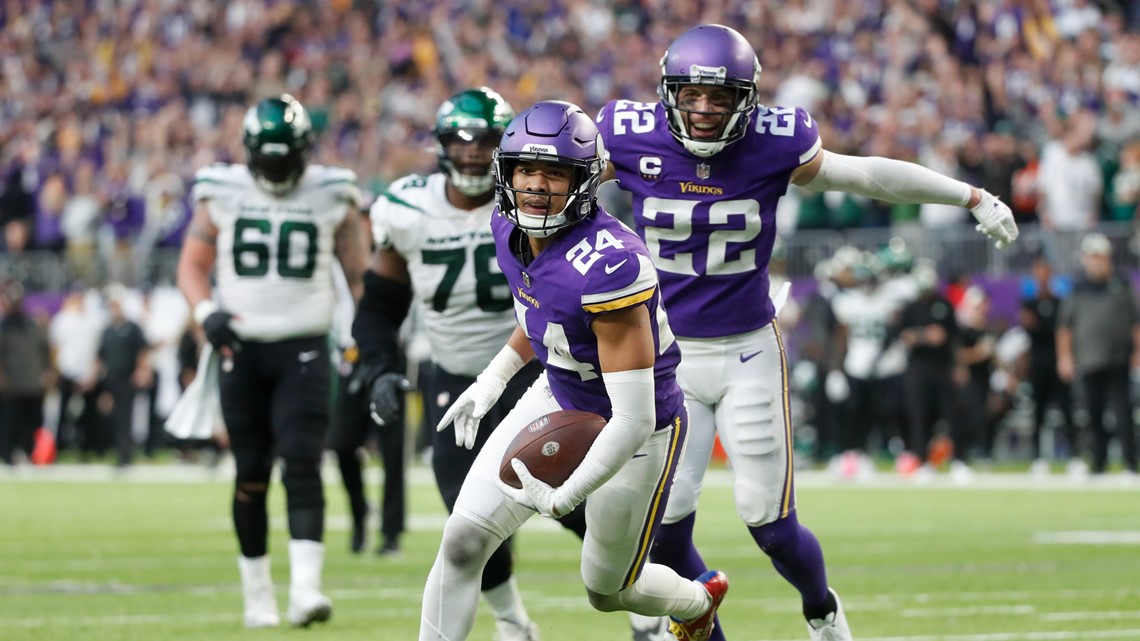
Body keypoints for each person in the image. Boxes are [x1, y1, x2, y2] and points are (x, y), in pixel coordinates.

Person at [596, 23, 1019, 641]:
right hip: (667, 359)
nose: (706, 109)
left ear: (749, 98)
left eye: (721, 96)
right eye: (692, 94)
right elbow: (557, 184)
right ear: (668, 91)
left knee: (767, 523)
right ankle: (700, 624)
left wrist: (970, 195)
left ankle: (822, 610)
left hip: (747, 352)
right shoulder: (625, 135)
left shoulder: (777, 140)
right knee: (666, 526)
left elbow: (867, 176)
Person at [421, 100, 727, 641]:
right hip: (560, 394)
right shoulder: (506, 225)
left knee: (609, 590)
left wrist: (563, 500)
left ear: (583, 181)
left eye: (554, 172)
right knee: (463, 543)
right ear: (505, 173)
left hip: (637, 427)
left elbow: (631, 418)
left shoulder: (610, 265)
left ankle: (696, 599)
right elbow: (540, 316)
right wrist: (491, 381)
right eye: (525, 170)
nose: (536, 185)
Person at [176, 94, 370, 628]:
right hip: (241, 346)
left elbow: (360, 277)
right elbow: (190, 267)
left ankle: (306, 589)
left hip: (305, 345)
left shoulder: (333, 193)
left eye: (286, 159)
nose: (277, 170)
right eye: (269, 159)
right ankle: (257, 596)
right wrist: (205, 310)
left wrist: (369, 341)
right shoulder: (222, 191)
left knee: (303, 460)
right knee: (251, 472)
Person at [1057, 233, 1140, 476]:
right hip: (1089, 359)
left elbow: (1136, 322)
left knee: (1123, 411)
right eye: (1091, 256)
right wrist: (1065, 357)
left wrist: (1137, 351)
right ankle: (1098, 463)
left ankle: (1129, 463)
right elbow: (1065, 327)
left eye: (1099, 256)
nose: (1095, 261)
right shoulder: (1077, 288)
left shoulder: (1121, 284)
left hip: (1118, 357)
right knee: (1093, 413)